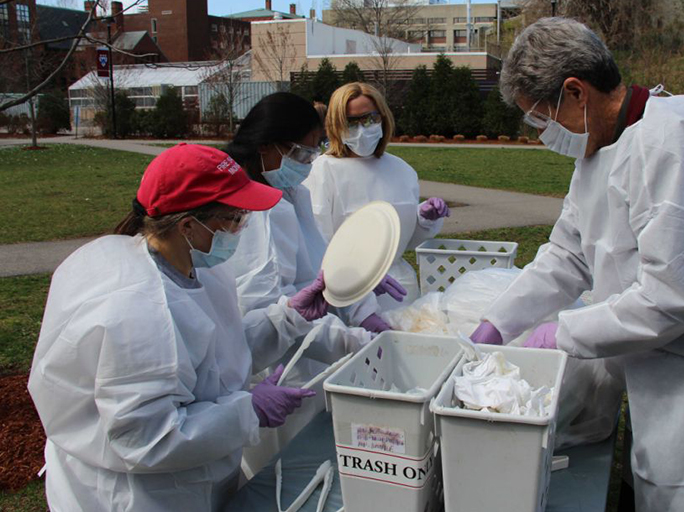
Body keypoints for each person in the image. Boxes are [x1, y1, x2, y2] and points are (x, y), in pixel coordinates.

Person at [470, 18, 684, 512]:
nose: (542, 134)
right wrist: (497, 323)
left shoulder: (670, 137)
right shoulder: (598, 150)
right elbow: (565, 255)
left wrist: (560, 333)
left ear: (575, 92)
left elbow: (675, 296)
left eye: (540, 120)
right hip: (653, 366)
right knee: (653, 489)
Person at [28, 144, 330, 512]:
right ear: (188, 225)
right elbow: (147, 438)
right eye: (235, 218)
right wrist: (248, 412)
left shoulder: (196, 265)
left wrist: (286, 318)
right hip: (137, 496)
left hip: (191, 479)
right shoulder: (136, 310)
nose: (242, 228)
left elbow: (216, 352)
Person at [223, 93, 402, 473]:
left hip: (304, 352)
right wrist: (350, 339)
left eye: (314, 149)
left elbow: (321, 270)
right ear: (269, 147)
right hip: (272, 370)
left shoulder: (291, 193)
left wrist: (360, 298)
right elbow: (267, 312)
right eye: (302, 153)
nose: (310, 162)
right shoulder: (251, 212)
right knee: (280, 472)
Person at [304, 82, 451, 310]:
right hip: (346, 294)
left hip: (400, 287)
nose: (363, 129)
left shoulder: (401, 170)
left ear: (383, 118)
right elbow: (317, 244)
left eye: (370, 119)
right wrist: (358, 280)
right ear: (336, 125)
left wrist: (424, 218)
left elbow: (404, 242)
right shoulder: (323, 171)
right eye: (352, 122)